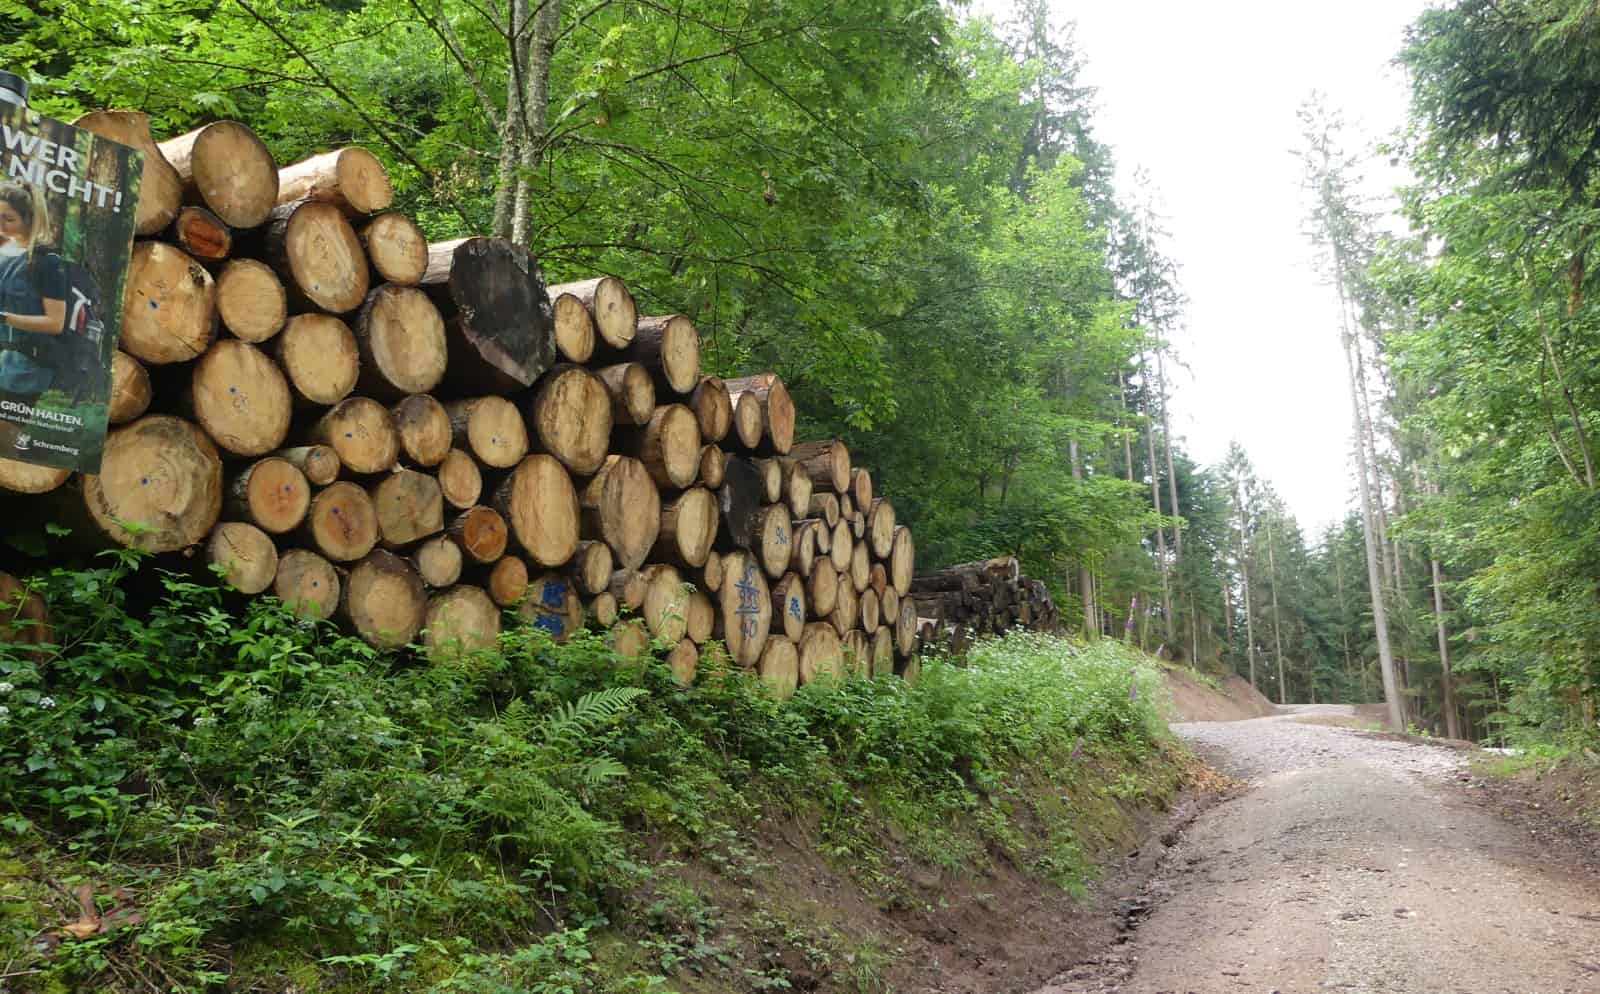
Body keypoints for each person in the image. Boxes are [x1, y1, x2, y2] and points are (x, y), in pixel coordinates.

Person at [0, 182, 66, 396]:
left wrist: (4, 318)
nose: (0, 224)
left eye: (8, 219)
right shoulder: (5, 252)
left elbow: (56, 323)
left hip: (26, 370)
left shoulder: (47, 262)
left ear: (29, 220)